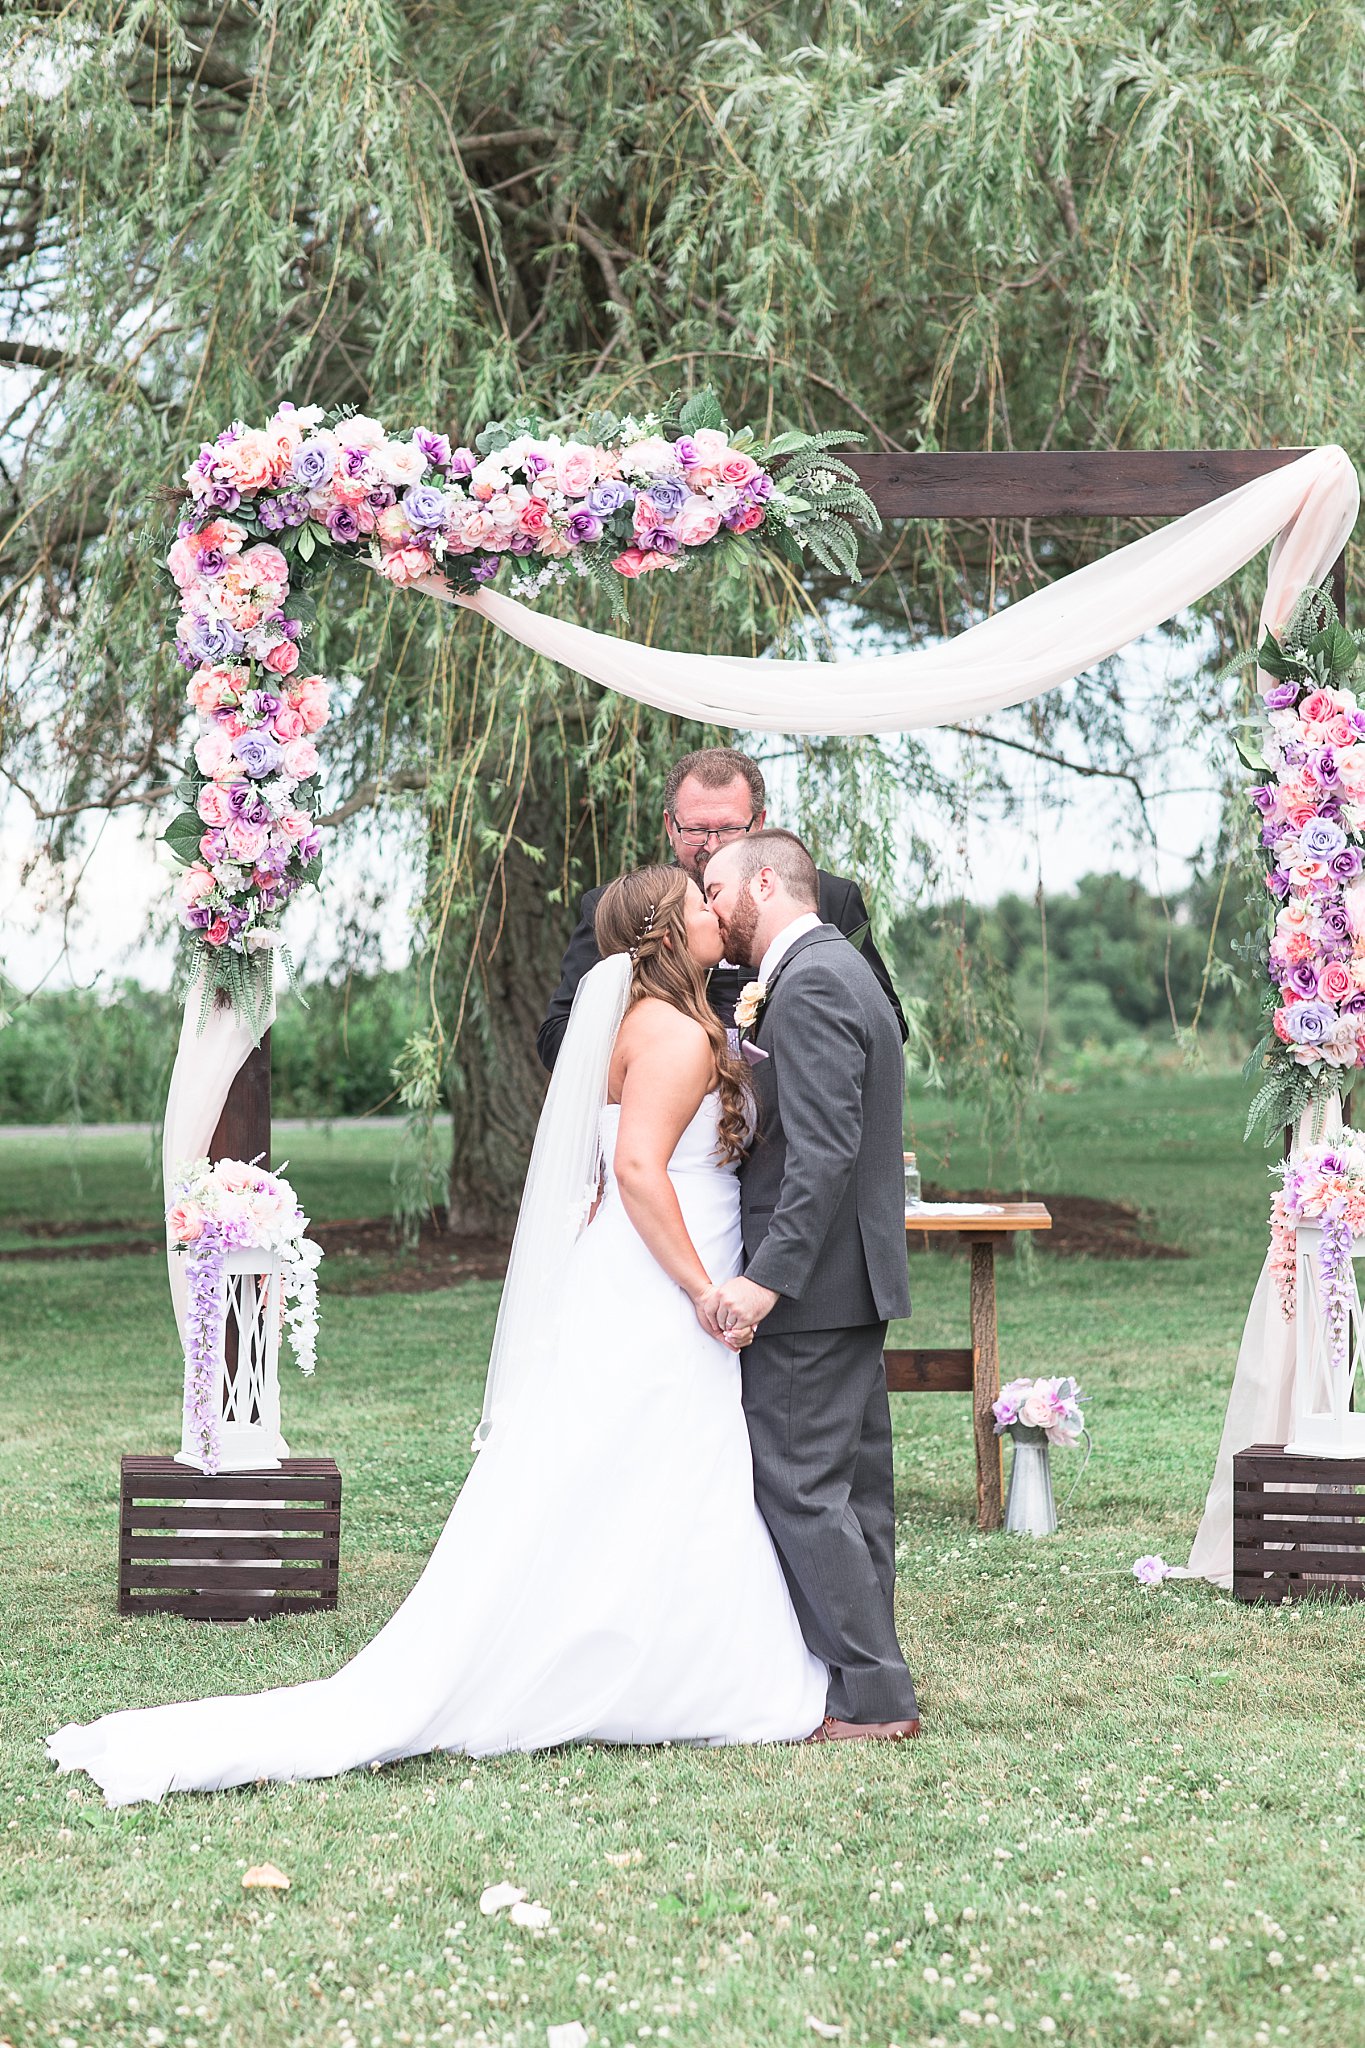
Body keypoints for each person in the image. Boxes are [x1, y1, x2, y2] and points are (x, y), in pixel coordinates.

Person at [46, 866, 827, 1806]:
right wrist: (704, 1288)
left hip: (639, 1275)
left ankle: (661, 1655)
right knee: (661, 1459)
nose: (717, 912)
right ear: (666, 933)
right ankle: (663, 1670)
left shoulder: (646, 1023)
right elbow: (635, 1169)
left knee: (639, 1466)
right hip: (664, 1280)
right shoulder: (666, 1032)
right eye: (701, 904)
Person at [699, 828, 921, 1743]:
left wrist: (764, 1283)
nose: (708, 907)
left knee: (800, 1485)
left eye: (714, 888)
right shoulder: (827, 969)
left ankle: (873, 1696)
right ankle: (869, 1679)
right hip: (848, 1283)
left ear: (763, 882)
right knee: (852, 1490)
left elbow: (824, 1153)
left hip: (814, 1288)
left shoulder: (816, 979)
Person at [537, 746, 906, 1069]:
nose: (712, 846)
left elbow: (885, 1021)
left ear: (759, 824)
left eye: (730, 829)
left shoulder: (829, 899)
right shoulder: (615, 907)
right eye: (695, 830)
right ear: (670, 826)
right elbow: (557, 1038)